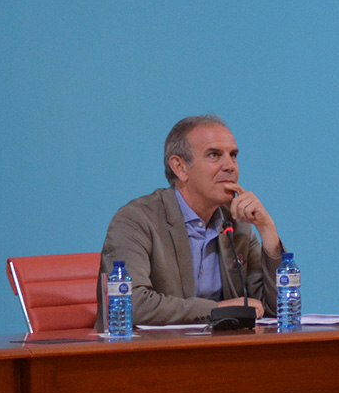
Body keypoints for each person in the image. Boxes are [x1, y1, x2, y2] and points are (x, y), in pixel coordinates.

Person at [97, 115, 284, 327]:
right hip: (151, 346)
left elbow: (276, 308)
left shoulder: (235, 223)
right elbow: (130, 304)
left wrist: (267, 230)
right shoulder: (136, 220)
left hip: (220, 346)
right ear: (180, 167)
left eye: (233, 155)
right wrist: (217, 310)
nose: (230, 166)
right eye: (214, 155)